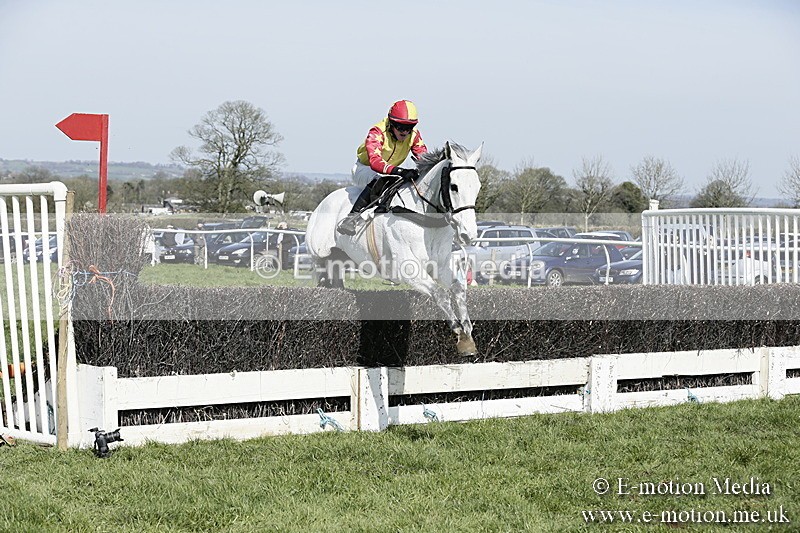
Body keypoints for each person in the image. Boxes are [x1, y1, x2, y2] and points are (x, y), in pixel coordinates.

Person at [337, 99, 428, 235]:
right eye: (400, 127)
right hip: (365, 169)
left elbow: (424, 158)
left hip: (389, 172)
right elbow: (375, 162)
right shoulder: (377, 132)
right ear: (391, 123)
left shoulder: (414, 136)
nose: (404, 132)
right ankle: (351, 218)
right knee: (379, 179)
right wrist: (400, 171)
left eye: (409, 128)